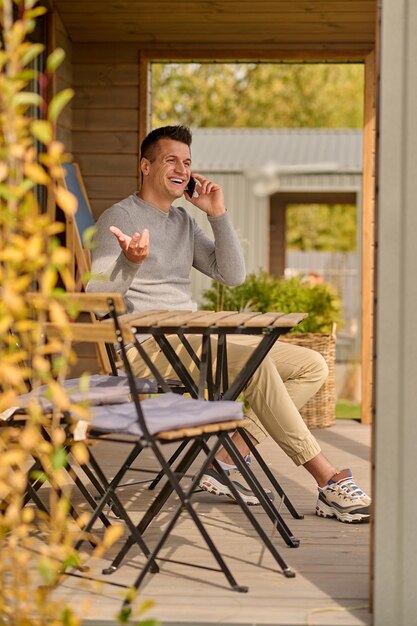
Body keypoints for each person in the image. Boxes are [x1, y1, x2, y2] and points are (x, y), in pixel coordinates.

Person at [86, 125, 370, 524]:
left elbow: (231, 274)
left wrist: (217, 213)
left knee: (313, 366)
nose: (181, 169)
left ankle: (225, 457)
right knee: (258, 364)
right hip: (146, 348)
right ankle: (328, 479)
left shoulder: (183, 221)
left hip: (192, 338)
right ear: (145, 166)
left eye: (187, 162)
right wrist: (130, 263)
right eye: (171, 160)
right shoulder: (119, 216)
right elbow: (97, 299)